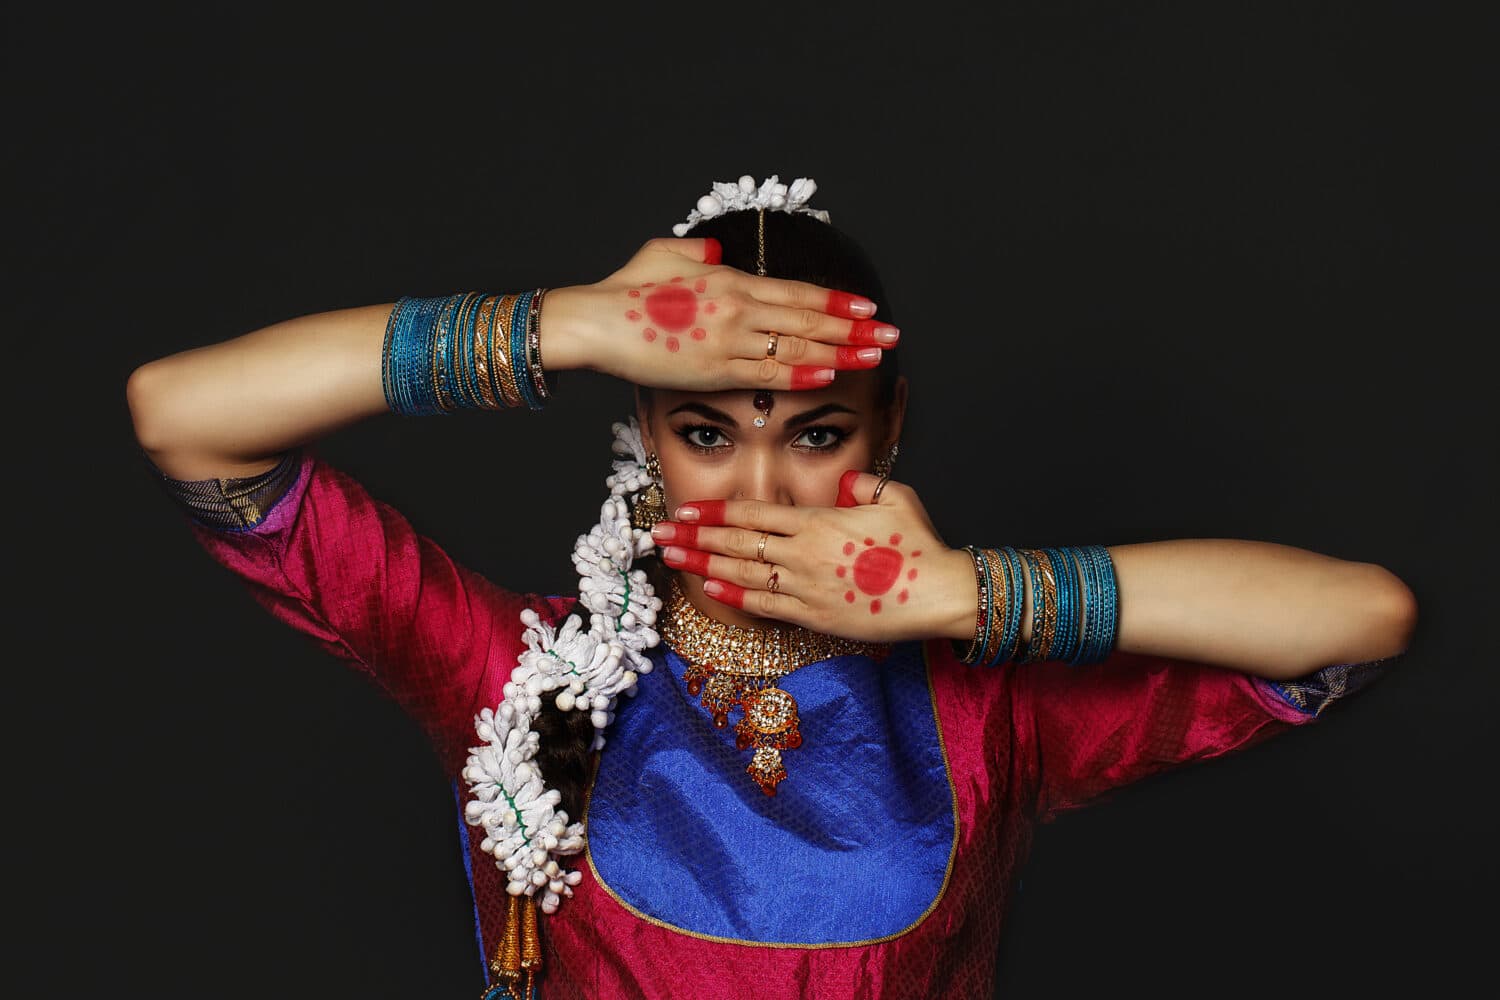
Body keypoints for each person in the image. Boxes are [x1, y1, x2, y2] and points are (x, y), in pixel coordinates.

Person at [125, 175, 1417, 1000]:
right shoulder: (515, 676)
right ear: (639, 428)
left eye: (813, 434)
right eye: (703, 432)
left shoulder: (983, 714)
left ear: (887, 428)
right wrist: (561, 326)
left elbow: (1359, 620)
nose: (756, 490)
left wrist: (974, 596)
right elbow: (185, 417)